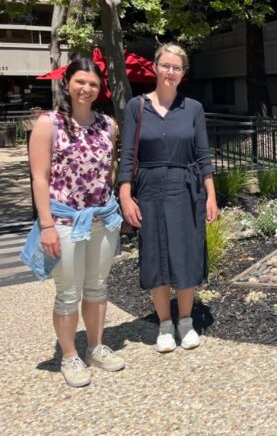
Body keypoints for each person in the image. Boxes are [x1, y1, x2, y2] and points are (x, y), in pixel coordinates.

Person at [24, 58, 124, 387]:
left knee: (97, 286)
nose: (86, 89)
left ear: (100, 89)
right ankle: (69, 355)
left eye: (93, 84)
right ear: (68, 83)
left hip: (101, 218)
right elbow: (39, 179)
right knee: (68, 292)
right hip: (64, 221)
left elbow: (109, 170)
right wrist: (47, 224)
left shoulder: (108, 125)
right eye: (80, 81)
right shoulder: (47, 124)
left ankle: (95, 346)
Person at [118, 43, 217, 353]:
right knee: (155, 254)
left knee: (186, 252)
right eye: (166, 66)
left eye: (177, 67)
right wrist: (125, 194)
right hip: (148, 188)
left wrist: (211, 194)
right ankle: (164, 323)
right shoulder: (138, 106)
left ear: (183, 73)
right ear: (155, 68)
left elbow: (203, 154)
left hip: (186, 187)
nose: (170, 72)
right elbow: (127, 155)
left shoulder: (194, 109)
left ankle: (185, 321)